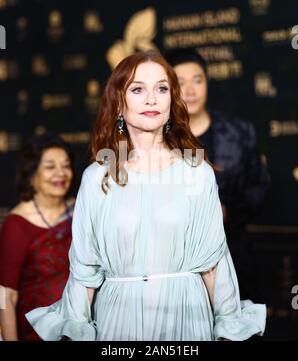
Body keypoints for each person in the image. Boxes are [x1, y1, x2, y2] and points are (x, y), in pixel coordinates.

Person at [25, 51, 266, 341]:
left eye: (161, 88)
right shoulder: (97, 178)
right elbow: (84, 271)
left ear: (171, 100)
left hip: (186, 321)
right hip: (119, 322)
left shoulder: (197, 173)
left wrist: (229, 329)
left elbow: (215, 267)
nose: (152, 98)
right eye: (138, 89)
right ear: (118, 103)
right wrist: (75, 328)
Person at [164, 48, 269, 302]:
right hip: (174, 264)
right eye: (180, 82)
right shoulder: (157, 139)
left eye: (197, 80)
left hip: (233, 252)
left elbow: (257, 187)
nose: (190, 90)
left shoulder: (239, 132)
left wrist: (226, 211)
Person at [0, 132, 75, 340]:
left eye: (66, 166)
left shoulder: (82, 209)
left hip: (83, 328)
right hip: (37, 333)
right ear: (32, 174)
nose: (61, 173)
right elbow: (5, 294)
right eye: (50, 167)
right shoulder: (17, 223)